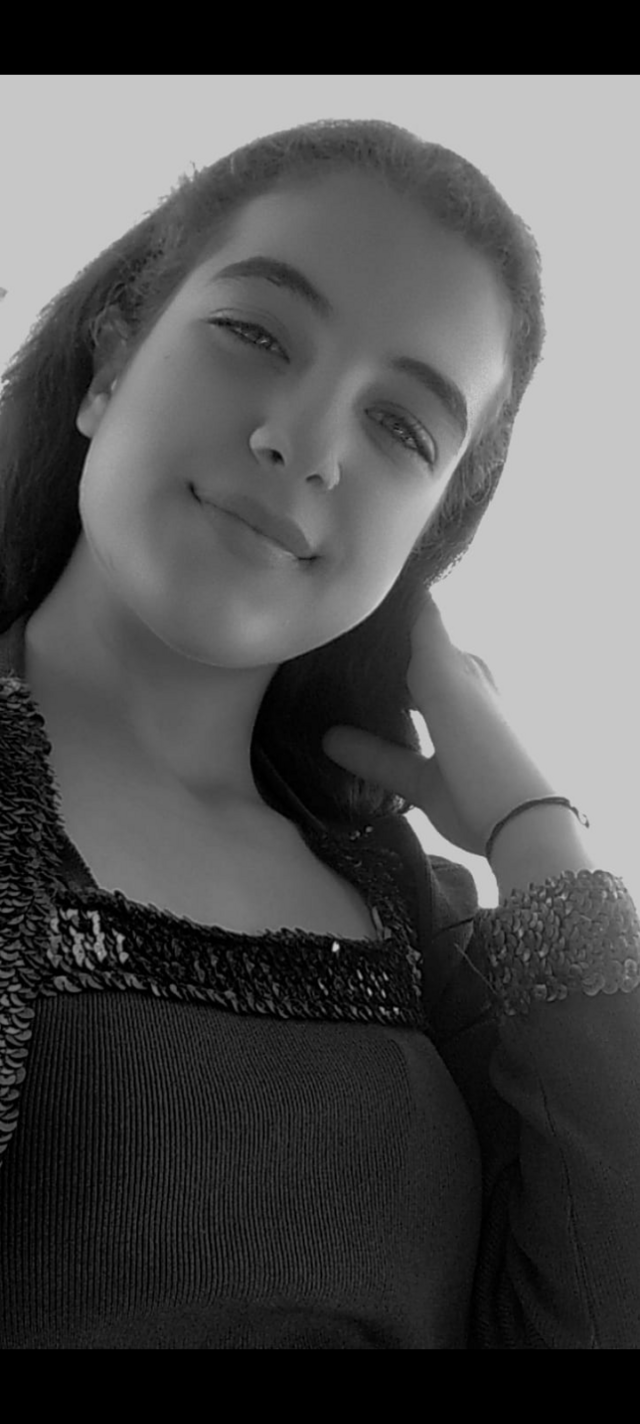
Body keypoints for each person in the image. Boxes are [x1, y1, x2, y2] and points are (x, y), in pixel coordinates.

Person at [0, 118, 638, 1350]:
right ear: (110, 362)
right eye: (256, 333)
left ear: (424, 542)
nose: (305, 439)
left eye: (402, 426)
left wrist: (535, 833)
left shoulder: (415, 916)